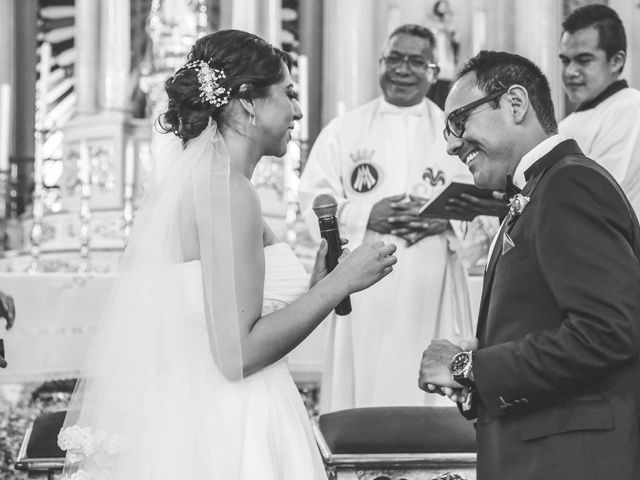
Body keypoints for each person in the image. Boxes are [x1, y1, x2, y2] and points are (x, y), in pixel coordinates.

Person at [57, 30, 397, 479]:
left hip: (209, 407)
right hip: (231, 422)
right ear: (248, 101)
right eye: (288, 94)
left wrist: (316, 287)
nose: (297, 111)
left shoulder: (215, 185)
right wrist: (340, 283)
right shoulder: (228, 193)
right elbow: (237, 356)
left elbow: (223, 318)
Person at [418, 49, 640, 480]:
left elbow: (610, 330)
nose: (450, 144)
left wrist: (469, 368)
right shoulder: (538, 189)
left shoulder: (569, 183)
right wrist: (480, 368)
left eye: (458, 122)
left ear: (515, 103)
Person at [298, 24, 494, 411]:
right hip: (363, 290)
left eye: (416, 61)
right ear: (381, 63)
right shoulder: (344, 130)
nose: (403, 69)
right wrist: (370, 212)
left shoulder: (455, 132)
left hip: (429, 283)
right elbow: (311, 200)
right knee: (363, 386)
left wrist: (444, 220)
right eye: (394, 58)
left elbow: (485, 204)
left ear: (433, 71)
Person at [558, 4, 640, 215]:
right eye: (565, 61)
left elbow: (600, 197)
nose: (571, 72)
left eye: (584, 60)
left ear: (616, 61)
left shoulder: (631, 109)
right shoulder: (565, 125)